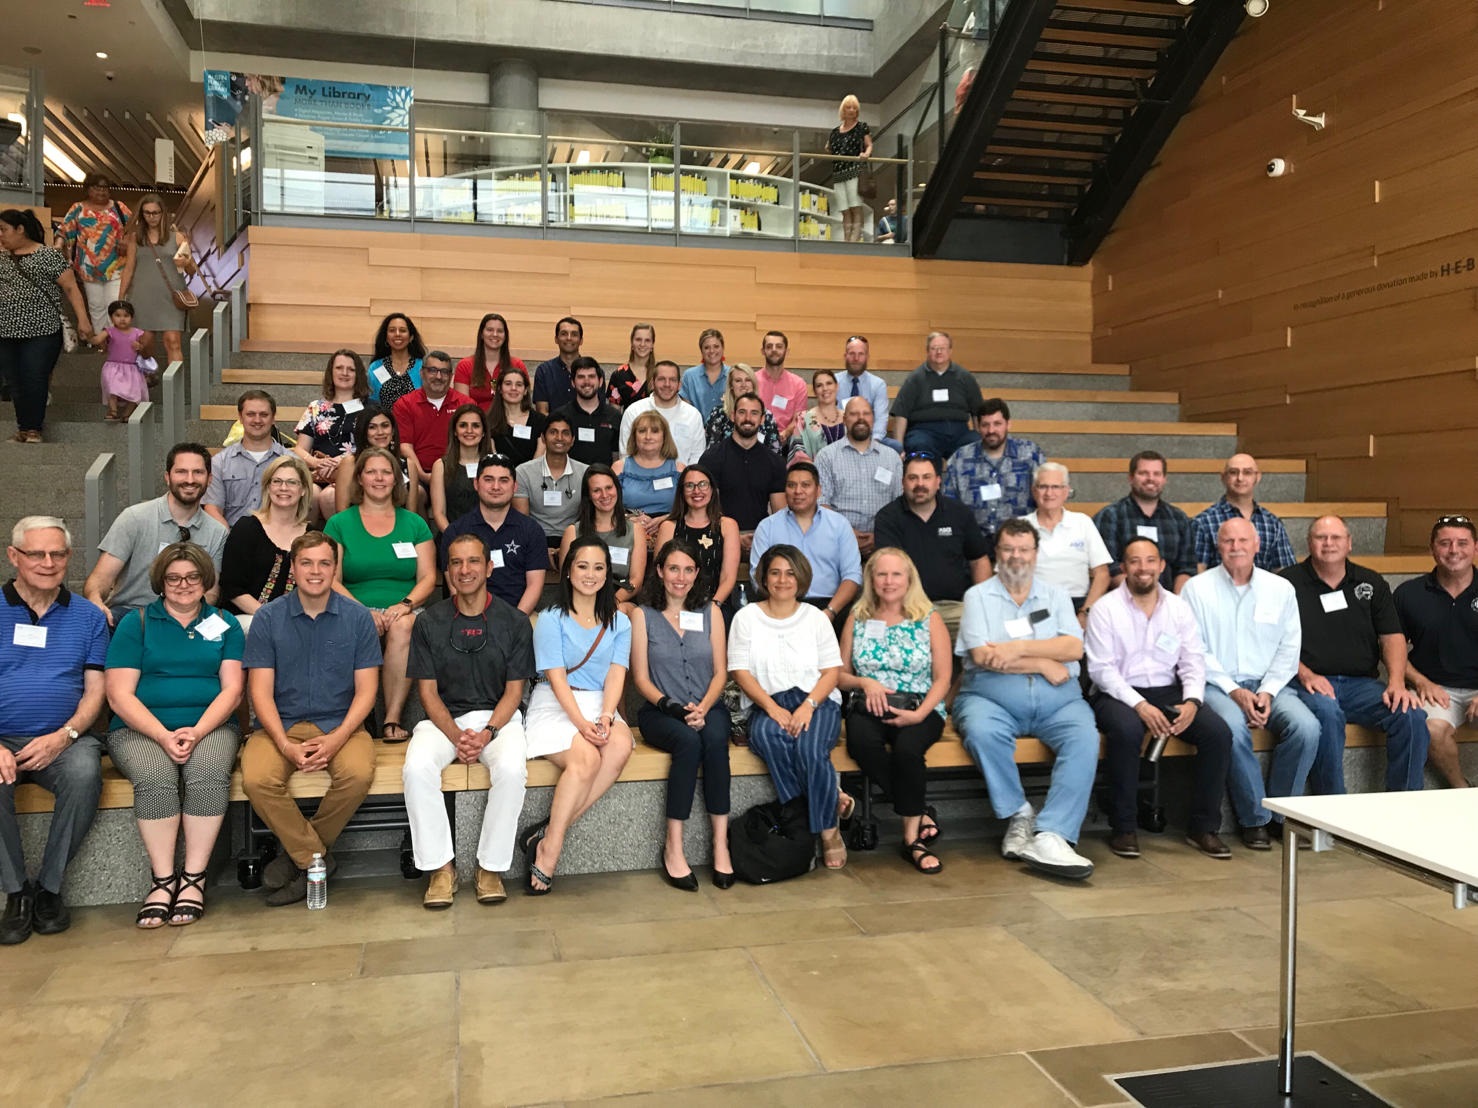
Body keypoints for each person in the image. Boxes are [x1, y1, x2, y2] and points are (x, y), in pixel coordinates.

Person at [104, 544, 244, 927]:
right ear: (161, 583)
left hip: (210, 725)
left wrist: (197, 731)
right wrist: (163, 735)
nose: (184, 585)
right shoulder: (138, 623)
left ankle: (194, 879)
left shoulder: (225, 623)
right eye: (174, 578)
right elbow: (118, 694)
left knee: (209, 771)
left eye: (192, 576)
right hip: (140, 729)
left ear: (205, 580)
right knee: (155, 777)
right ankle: (163, 880)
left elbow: (232, 690)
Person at [952, 518, 1098, 880]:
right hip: (990, 698)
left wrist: (1017, 648)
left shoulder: (1056, 596)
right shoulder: (978, 596)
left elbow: (1073, 647)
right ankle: (1019, 813)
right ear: (996, 554)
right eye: (1008, 549)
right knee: (982, 732)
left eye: (1023, 549)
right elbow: (983, 656)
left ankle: (1052, 832)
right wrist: (1044, 662)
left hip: (1059, 702)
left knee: (1085, 738)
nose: (1016, 557)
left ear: (1036, 553)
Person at [241, 532, 380, 907]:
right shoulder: (268, 619)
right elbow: (260, 693)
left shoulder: (357, 618)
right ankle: (315, 860)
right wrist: (284, 745)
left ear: (335, 569)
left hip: (342, 724)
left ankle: (296, 858)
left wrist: (336, 739)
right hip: (279, 726)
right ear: (293, 566)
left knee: (358, 774)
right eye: (307, 563)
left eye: (324, 563)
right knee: (256, 779)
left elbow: (367, 692)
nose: (315, 571)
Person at [404, 533, 536, 909]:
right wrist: (460, 735)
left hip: (499, 719)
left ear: (489, 567)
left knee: (511, 769)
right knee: (415, 768)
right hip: (444, 720)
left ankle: (490, 868)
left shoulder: (513, 621)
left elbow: (514, 693)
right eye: (457, 563)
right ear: (447, 572)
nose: (465, 570)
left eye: (473, 561)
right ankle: (441, 869)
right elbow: (427, 694)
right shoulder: (430, 621)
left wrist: (487, 733)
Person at [1086, 537, 1235, 859]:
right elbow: (1101, 670)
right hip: (1118, 692)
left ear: (1161, 566)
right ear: (1123, 568)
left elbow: (1193, 661)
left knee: (1219, 734)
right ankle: (1124, 827)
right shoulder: (1105, 609)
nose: (1143, 568)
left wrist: (1193, 702)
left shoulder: (1179, 608)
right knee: (1126, 731)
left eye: (1150, 561)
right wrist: (1140, 705)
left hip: (1170, 690)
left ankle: (1203, 827)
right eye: (1135, 561)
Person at [0, 517, 108, 944]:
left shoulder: (88, 616)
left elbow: (95, 691)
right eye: (37, 554)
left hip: (64, 738)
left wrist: (66, 735)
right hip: (2, 739)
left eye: (58, 554)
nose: (48, 563)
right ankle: (15, 892)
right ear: (14, 557)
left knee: (85, 775)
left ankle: (49, 889)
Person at [1183, 517, 1320, 844]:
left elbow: (1290, 646)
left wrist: (1268, 691)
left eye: (1243, 541)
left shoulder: (1280, 588)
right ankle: (1254, 819)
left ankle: (1282, 815)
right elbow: (1194, 648)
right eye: (1228, 541)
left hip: (1269, 684)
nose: (1236, 547)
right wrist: (1234, 691)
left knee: (1307, 728)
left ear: (1257, 545)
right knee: (1231, 729)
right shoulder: (1196, 589)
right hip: (1217, 685)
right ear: (1219, 546)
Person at [1282, 515, 1429, 794]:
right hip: (1308, 681)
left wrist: (1397, 683)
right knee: (1328, 714)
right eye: (1320, 537)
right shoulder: (1286, 583)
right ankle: (1333, 810)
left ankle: (1406, 803)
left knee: (1410, 715)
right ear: (1308, 543)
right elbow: (1272, 640)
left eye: (1336, 537)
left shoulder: (1370, 582)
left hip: (1361, 685)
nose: (1328, 543)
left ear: (1349, 543)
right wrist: (1305, 673)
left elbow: (1392, 637)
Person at [523, 537, 635, 894]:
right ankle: (550, 849)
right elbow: (556, 678)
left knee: (619, 746)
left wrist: (605, 716)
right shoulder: (550, 619)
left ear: (608, 574)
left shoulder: (620, 621)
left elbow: (617, 673)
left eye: (599, 567)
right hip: (556, 703)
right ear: (569, 571)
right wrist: (581, 723)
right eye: (583, 566)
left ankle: (549, 831)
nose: (590, 574)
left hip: (599, 702)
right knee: (585, 759)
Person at [728, 545, 847, 868]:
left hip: (816, 700)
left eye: (790, 573)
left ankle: (827, 832)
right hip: (768, 702)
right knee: (768, 737)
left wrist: (808, 705)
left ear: (802, 577)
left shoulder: (816, 618)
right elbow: (739, 671)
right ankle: (825, 803)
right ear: (764, 577)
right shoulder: (746, 617)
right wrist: (771, 708)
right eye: (775, 572)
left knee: (810, 749)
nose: (783, 580)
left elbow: (831, 672)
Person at [838, 548, 951, 874]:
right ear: (871, 579)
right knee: (861, 744)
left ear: (909, 578)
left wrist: (920, 714)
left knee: (907, 750)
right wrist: (866, 682)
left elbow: (943, 677)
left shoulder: (928, 617)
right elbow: (839, 675)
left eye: (896, 574)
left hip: (919, 705)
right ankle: (919, 810)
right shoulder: (858, 617)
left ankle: (911, 840)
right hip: (868, 705)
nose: (888, 581)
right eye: (881, 574)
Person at [630, 539, 732, 890]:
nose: (681, 577)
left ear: (697, 574)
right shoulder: (642, 615)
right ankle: (674, 845)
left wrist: (703, 707)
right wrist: (673, 707)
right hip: (661, 710)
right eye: (674, 568)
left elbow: (721, 671)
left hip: (709, 704)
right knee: (689, 742)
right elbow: (640, 678)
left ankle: (721, 843)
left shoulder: (711, 611)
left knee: (716, 740)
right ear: (659, 571)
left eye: (689, 569)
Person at [323, 447, 437, 743]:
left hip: (404, 607)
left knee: (404, 625)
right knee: (360, 627)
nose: (379, 478)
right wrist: (362, 611)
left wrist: (405, 604)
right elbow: (331, 579)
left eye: (386, 472)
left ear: (396, 479)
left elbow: (428, 577)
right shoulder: (339, 523)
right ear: (359, 478)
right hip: (352, 606)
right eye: (371, 471)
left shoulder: (414, 523)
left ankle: (391, 719)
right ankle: (358, 720)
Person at [84, 443, 228, 625]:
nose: (190, 479)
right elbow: (101, 579)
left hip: (188, 616)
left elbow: (211, 592)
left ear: (209, 479)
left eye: (198, 472)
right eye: (181, 472)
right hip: (133, 612)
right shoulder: (134, 518)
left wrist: (184, 616)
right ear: (168, 477)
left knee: (222, 628)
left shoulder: (217, 532)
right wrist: (96, 601)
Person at [873, 451, 992, 638]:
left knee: (987, 627)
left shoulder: (959, 513)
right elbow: (886, 571)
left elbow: (978, 560)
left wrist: (981, 604)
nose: (920, 484)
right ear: (903, 482)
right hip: (906, 609)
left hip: (954, 608)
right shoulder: (888, 518)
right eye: (913, 478)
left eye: (926, 477)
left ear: (938, 482)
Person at [1397, 515, 1478, 789]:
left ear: (1475, 548)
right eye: (1445, 543)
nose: (1453, 550)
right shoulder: (1409, 593)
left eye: (1462, 543)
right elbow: (1391, 649)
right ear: (1432, 548)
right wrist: (1421, 681)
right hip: (1436, 689)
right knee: (1430, 728)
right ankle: (1463, 790)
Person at [0, 208, 93, 444]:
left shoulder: (48, 256)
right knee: (15, 381)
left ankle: (33, 428)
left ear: (20, 229)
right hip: (6, 331)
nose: (1, 235)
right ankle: (24, 428)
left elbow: (71, 288)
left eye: (3, 230)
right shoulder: (1, 258)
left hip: (42, 330)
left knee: (35, 376)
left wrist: (83, 320)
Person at [752, 462, 862, 624]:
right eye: (791, 485)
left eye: (805, 485)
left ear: (818, 490)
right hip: (781, 605)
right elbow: (758, 576)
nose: (798, 491)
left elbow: (852, 575)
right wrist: (782, 610)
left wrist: (830, 612)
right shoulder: (767, 526)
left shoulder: (839, 525)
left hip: (830, 606)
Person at [441, 454, 550, 615]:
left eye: (504, 480)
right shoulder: (456, 532)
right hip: (467, 617)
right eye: (488, 479)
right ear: (476, 484)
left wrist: (515, 623)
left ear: (515, 487)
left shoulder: (531, 530)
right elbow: (456, 588)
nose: (496, 487)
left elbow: (535, 585)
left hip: (520, 616)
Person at [219, 454, 312, 635]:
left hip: (295, 620)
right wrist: (272, 617)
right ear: (268, 487)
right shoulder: (246, 528)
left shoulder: (312, 536)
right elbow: (232, 588)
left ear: (303, 490)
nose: (283, 488)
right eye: (277, 481)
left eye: (292, 482)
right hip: (248, 618)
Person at [1093, 450, 1197, 592]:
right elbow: (1108, 568)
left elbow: (1186, 567)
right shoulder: (1110, 516)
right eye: (1143, 473)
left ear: (1164, 479)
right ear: (1130, 478)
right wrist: (1142, 598)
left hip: (1169, 605)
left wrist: (1173, 604)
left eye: (1157, 474)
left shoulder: (1179, 519)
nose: (1150, 478)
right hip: (1122, 604)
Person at [1022, 462, 1111, 623]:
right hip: (1034, 606)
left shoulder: (1082, 522)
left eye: (1056, 487)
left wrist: (1085, 613)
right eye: (1043, 487)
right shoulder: (1020, 526)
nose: (1049, 493)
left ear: (1066, 491)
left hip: (1077, 605)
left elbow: (1102, 574)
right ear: (1034, 491)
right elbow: (1007, 577)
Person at [943, 398, 1044, 538]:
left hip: (1020, 541)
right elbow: (948, 505)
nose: (991, 430)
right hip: (973, 543)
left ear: (1008, 424)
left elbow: (1044, 497)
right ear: (978, 427)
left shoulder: (1030, 454)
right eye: (985, 425)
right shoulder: (960, 458)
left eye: (997, 424)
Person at [700, 393, 789, 550]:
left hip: (762, 537)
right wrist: (732, 537)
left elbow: (779, 514)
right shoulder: (712, 458)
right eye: (742, 412)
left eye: (754, 413)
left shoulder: (775, 462)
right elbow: (707, 510)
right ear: (733, 416)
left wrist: (762, 538)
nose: (748, 418)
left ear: (762, 419)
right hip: (719, 536)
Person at [117, 193, 196, 368]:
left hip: (171, 296)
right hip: (142, 296)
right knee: (145, 344)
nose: (152, 217)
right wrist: (121, 298)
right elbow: (128, 268)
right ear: (142, 215)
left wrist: (187, 262)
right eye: (147, 213)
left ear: (163, 214)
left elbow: (192, 271)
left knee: (173, 341)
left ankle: (176, 388)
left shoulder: (177, 237)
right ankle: (146, 380)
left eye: (156, 213)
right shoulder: (135, 238)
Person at [816, 396, 901, 556]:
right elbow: (822, 505)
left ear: (873, 419)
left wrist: (880, 536)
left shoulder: (892, 458)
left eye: (866, 414)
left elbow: (899, 504)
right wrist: (846, 533)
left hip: (882, 544)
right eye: (854, 414)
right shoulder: (826, 456)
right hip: (837, 544)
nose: (861, 418)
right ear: (844, 419)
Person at [294, 349, 371, 521]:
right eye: (339, 368)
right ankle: (310, 544)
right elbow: (299, 449)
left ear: (359, 375)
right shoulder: (316, 407)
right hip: (318, 473)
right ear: (331, 372)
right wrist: (317, 462)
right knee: (310, 495)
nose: (345, 373)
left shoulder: (370, 409)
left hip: (354, 473)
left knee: (329, 497)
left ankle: (338, 544)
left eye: (351, 369)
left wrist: (343, 462)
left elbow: (374, 447)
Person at [655, 463, 740, 610]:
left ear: (712, 489)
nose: (697, 491)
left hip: (715, 604)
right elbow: (660, 575)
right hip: (674, 605)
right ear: (681, 492)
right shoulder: (668, 527)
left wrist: (713, 607)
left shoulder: (728, 525)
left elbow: (728, 577)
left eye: (703, 484)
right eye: (689, 486)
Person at [1193, 453, 1297, 573]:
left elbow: (1284, 571)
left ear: (1257, 477)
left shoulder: (1272, 523)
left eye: (1247, 472)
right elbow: (1197, 573)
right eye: (1233, 472)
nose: (1240, 478)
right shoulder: (1203, 522)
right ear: (1223, 477)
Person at [559, 465, 646, 605]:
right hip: (582, 599)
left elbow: (636, 580)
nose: (605, 495)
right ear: (588, 496)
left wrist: (613, 602)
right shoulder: (573, 532)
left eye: (609, 488)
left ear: (617, 489)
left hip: (620, 601)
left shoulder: (635, 530)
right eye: (596, 490)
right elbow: (566, 579)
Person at [204, 391, 290, 528]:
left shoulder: (291, 462)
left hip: (278, 538)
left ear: (273, 418)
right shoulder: (220, 462)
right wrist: (230, 540)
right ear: (240, 417)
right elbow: (212, 509)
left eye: (264, 415)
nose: (257, 420)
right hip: (231, 536)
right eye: (250, 414)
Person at [58, 172, 132, 333]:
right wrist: (58, 248)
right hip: (88, 268)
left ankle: (116, 340)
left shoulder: (119, 207)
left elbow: (135, 228)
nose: (101, 191)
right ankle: (101, 341)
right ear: (88, 189)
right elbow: (64, 231)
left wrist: (127, 241)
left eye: (105, 187)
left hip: (116, 266)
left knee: (116, 304)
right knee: (96, 306)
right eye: (97, 187)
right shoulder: (77, 208)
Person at [892, 332, 983, 459]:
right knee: (919, 444)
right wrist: (899, 448)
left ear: (950, 350)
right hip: (925, 431)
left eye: (943, 348)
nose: (938, 352)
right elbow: (901, 414)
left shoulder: (965, 377)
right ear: (927, 351)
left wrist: (981, 436)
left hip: (959, 432)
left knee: (976, 444)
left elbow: (977, 412)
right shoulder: (915, 379)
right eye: (934, 348)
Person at [393, 350, 473, 492]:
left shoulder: (465, 404)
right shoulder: (404, 404)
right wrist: (424, 476)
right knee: (415, 492)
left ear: (451, 377)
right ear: (422, 373)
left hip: (455, 472)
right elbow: (405, 447)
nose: (438, 376)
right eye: (432, 370)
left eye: (444, 372)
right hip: (419, 472)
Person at [514, 414, 588, 550]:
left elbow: (588, 519)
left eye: (565, 433)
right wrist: (539, 548)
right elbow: (522, 522)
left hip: (574, 540)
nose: (559, 438)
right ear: (543, 438)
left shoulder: (586, 473)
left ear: (572, 440)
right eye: (553, 432)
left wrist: (567, 548)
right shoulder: (523, 472)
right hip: (534, 539)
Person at [333, 404, 419, 517]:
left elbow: (411, 514)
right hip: (357, 527)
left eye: (385, 426)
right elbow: (342, 511)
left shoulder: (408, 465)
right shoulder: (351, 463)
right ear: (364, 432)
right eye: (372, 427)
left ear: (393, 430)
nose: (380, 432)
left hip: (399, 529)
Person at [618, 359, 705, 466]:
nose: (667, 384)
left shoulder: (693, 415)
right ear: (652, 384)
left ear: (679, 385)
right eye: (661, 379)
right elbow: (626, 454)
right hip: (640, 480)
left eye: (672, 380)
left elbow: (697, 456)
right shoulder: (634, 411)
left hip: (682, 480)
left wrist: (685, 480)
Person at [616, 410, 685, 543]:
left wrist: (667, 519)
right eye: (642, 431)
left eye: (655, 431)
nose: (648, 436)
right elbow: (605, 507)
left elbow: (691, 509)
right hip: (628, 533)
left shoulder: (679, 469)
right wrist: (627, 519)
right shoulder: (619, 468)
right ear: (634, 436)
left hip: (671, 535)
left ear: (664, 436)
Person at [430, 404, 492, 534]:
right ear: (455, 431)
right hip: (453, 537)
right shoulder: (440, 466)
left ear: (484, 432)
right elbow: (439, 513)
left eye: (476, 426)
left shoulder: (493, 464)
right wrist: (456, 540)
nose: (469, 430)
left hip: (490, 536)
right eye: (463, 425)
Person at [90, 299, 152, 423]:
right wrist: (88, 334)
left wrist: (140, 347)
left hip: (132, 368)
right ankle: (113, 411)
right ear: (111, 317)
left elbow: (146, 353)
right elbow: (96, 340)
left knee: (135, 392)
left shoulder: (137, 333)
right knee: (112, 387)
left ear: (132, 317)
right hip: (113, 366)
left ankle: (128, 414)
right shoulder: (109, 331)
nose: (122, 319)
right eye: (118, 316)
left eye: (126, 316)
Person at [702, 362, 782, 454]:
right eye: (738, 381)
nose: (743, 385)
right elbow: (711, 452)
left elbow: (775, 453)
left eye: (748, 380)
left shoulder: (766, 416)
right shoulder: (718, 414)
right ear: (731, 386)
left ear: (753, 384)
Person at [555, 356, 621, 466]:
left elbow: (616, 456)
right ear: (573, 382)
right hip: (569, 481)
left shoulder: (615, 416)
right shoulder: (560, 416)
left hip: (603, 480)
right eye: (581, 377)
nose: (586, 382)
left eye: (591, 376)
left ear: (600, 381)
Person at [454, 312, 524, 410]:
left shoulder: (517, 365)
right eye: (490, 330)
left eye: (500, 331)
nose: (495, 334)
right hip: (477, 422)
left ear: (505, 336)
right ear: (482, 334)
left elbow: (524, 402)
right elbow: (463, 407)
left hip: (509, 421)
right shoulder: (465, 366)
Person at [827, 95, 873, 243]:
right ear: (843, 110)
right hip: (839, 172)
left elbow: (869, 144)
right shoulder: (835, 131)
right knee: (844, 209)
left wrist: (866, 154)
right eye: (848, 107)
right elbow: (829, 147)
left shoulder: (861, 127)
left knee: (855, 206)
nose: (852, 110)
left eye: (854, 108)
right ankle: (847, 238)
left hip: (854, 170)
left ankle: (854, 239)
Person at [838, 335, 896, 451]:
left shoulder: (878, 385)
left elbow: (881, 418)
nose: (856, 358)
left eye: (861, 354)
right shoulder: (834, 382)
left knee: (896, 447)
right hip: (839, 438)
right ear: (845, 356)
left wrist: (873, 443)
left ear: (867, 357)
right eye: (852, 354)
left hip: (870, 437)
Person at [486, 364, 547, 468]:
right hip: (500, 479)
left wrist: (525, 477)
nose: (513, 388)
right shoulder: (488, 421)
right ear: (500, 389)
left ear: (525, 390)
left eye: (519, 384)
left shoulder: (540, 420)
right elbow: (493, 456)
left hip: (530, 479)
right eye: (508, 384)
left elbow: (540, 455)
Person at [754, 331, 809, 445]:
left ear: (786, 351)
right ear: (763, 351)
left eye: (779, 346)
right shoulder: (752, 381)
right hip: (755, 440)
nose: (774, 350)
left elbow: (798, 419)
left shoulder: (798, 384)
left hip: (786, 443)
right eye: (769, 346)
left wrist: (786, 433)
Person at [366, 312, 426, 408]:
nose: (397, 334)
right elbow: (371, 403)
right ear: (386, 337)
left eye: (402, 330)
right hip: (385, 421)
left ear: (411, 337)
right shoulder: (376, 367)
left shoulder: (423, 366)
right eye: (392, 330)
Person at [533, 316, 584, 414]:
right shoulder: (544, 371)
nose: (569, 338)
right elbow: (542, 412)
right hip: (553, 428)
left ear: (581, 340)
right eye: (564, 334)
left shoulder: (593, 372)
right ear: (556, 339)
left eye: (574, 334)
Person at [679, 328, 728, 419]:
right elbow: (685, 412)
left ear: (723, 348)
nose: (712, 351)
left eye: (716, 346)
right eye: (706, 347)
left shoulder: (733, 375)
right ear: (701, 350)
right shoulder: (689, 376)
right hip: (696, 430)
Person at [798, 369, 845, 460]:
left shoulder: (849, 417)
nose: (825, 389)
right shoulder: (803, 419)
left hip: (849, 472)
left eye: (829, 383)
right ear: (815, 391)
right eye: (819, 385)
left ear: (837, 386)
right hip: (814, 472)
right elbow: (798, 454)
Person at [607, 322, 654, 409]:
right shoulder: (619, 374)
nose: (642, 344)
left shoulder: (659, 373)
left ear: (652, 345)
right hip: (627, 422)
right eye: (638, 339)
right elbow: (614, 414)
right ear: (632, 343)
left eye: (647, 340)